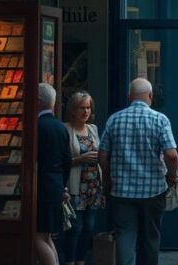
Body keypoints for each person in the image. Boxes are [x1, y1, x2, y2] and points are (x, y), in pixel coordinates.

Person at [99, 78, 178, 265]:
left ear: (129, 96)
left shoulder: (114, 119)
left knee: (125, 235)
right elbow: (172, 155)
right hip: (153, 190)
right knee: (150, 238)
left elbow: (102, 155)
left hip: (122, 191)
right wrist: (172, 174)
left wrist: (108, 179)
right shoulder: (160, 119)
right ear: (150, 96)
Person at [61, 91, 104, 265]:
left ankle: (81, 261)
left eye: (88, 107)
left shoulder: (93, 129)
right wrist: (80, 159)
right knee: (75, 228)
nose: (86, 112)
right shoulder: (66, 129)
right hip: (75, 185)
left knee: (89, 227)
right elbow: (60, 161)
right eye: (81, 108)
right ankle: (70, 261)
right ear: (73, 110)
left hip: (93, 185)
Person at [37, 83, 70, 265]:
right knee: (46, 236)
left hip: (40, 187)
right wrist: (61, 184)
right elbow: (67, 161)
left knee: (36, 238)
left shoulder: (37, 126)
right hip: (55, 185)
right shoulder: (60, 127)